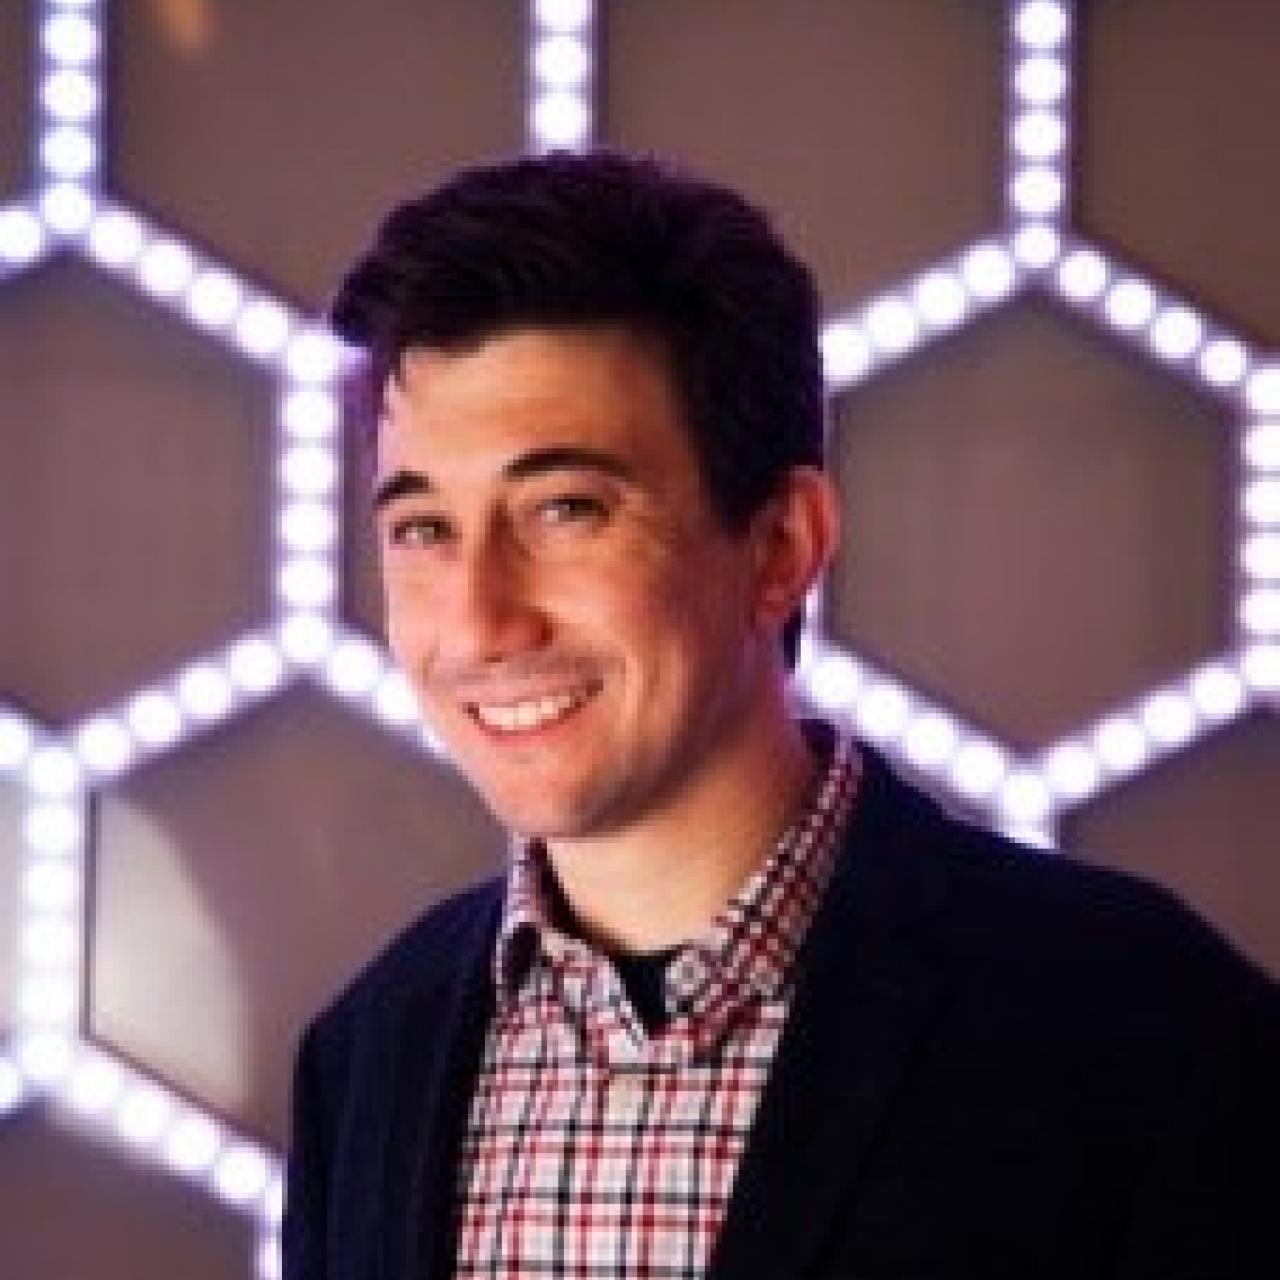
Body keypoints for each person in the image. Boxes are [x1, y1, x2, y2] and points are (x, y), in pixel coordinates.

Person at [283, 151, 1279, 1280]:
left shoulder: (1135, 1025)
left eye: (566, 509)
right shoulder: (368, 1050)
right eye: (422, 529)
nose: (479, 621)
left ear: (780, 545)